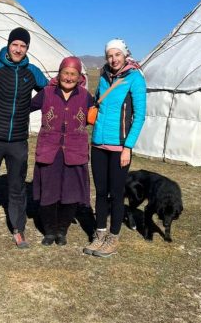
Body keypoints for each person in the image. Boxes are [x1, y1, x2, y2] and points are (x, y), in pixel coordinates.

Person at [0, 27, 48, 249]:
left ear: (27, 49)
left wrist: (31, 107)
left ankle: (18, 229)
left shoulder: (32, 72)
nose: (18, 49)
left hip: (18, 141)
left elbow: (51, 90)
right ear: (9, 45)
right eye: (15, 45)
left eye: (23, 46)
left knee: (17, 187)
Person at [83, 38, 146, 257]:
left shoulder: (135, 78)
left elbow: (139, 116)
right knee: (100, 193)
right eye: (110, 55)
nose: (113, 59)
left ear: (125, 55)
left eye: (117, 54)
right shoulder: (102, 76)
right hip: (98, 143)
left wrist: (128, 147)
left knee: (116, 193)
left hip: (120, 146)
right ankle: (99, 234)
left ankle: (113, 237)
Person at [31, 56, 94, 246]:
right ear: (59, 74)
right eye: (65, 73)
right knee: (48, 193)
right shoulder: (47, 93)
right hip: (50, 150)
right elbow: (24, 108)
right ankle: (49, 231)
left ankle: (62, 230)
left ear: (79, 77)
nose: (68, 77)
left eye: (73, 74)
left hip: (75, 151)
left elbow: (100, 116)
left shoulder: (85, 96)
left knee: (71, 194)